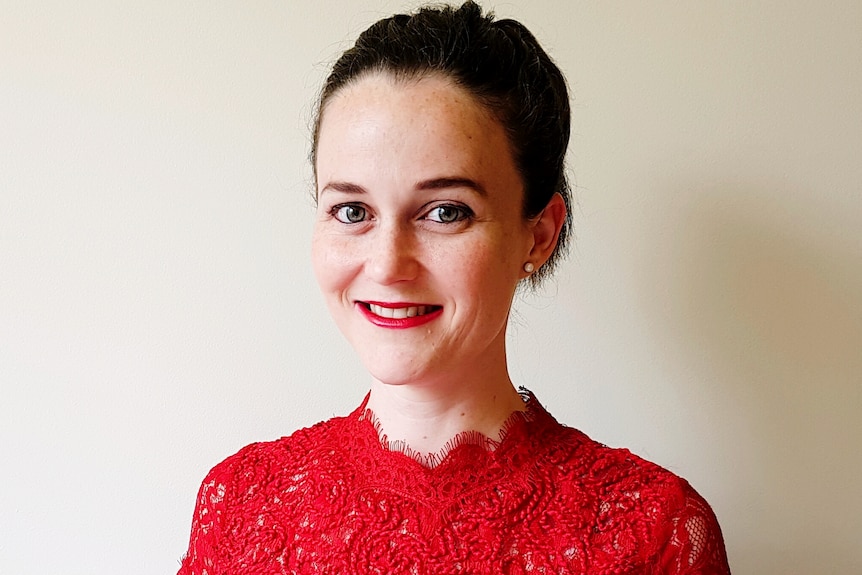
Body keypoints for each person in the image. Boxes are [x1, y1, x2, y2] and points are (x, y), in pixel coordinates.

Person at [177, 2, 731, 573]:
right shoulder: (240, 508)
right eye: (351, 210)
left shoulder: (654, 531)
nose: (388, 264)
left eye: (445, 212)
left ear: (537, 236)